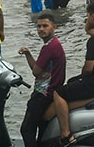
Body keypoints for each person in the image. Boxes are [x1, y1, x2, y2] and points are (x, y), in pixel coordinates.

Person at [52, 3, 94, 147]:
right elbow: (89, 30)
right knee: (72, 81)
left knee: (59, 93)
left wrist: (81, 77)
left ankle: (65, 134)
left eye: (88, 15)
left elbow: (88, 69)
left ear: (92, 16)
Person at [19, 13, 67, 147]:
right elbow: (39, 69)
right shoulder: (55, 43)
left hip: (43, 93)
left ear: (54, 27)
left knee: (26, 129)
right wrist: (28, 53)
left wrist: (28, 55)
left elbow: (36, 72)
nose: (41, 29)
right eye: (38, 26)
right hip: (53, 92)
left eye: (45, 26)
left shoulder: (48, 48)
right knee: (42, 129)